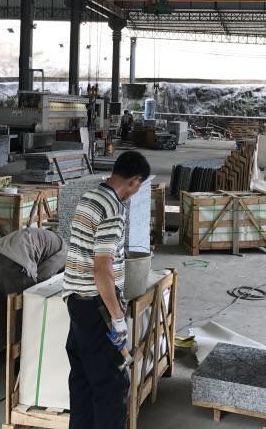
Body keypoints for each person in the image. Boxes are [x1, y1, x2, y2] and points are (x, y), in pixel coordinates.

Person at [62, 151, 151, 429]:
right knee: (111, 386)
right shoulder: (113, 209)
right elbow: (102, 269)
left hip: (76, 302)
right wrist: (117, 317)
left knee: (82, 383)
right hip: (96, 307)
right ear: (135, 181)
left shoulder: (89, 197)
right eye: (138, 187)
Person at [0, 226, 68, 320]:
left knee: (3, 311)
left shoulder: (54, 241)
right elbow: (41, 277)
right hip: (13, 262)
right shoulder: (64, 253)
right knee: (25, 312)